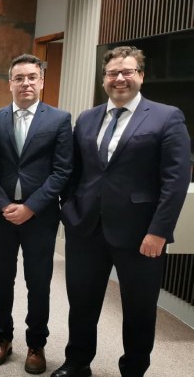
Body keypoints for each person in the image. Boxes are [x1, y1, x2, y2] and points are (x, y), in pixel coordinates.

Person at [53, 46, 190, 377]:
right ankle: (77, 362)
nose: (120, 79)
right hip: (86, 228)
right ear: (104, 80)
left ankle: (133, 369)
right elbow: (74, 172)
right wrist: (68, 211)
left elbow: (175, 179)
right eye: (113, 73)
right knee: (82, 302)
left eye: (128, 72)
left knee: (139, 308)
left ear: (141, 76)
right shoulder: (87, 118)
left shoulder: (167, 116)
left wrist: (159, 231)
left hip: (141, 234)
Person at [0, 54, 73, 374]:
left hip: (41, 217)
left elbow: (62, 171)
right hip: (0, 215)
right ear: (10, 84)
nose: (26, 83)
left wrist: (31, 207)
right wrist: (4, 203)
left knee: (39, 282)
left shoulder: (59, 120)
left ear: (42, 81)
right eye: (19, 78)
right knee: (1, 280)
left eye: (32, 77)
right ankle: (2, 337)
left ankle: (37, 343)